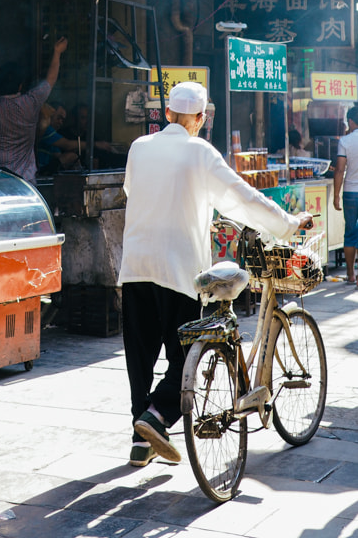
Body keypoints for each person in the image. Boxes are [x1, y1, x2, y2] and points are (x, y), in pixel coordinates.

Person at [119, 81, 313, 468]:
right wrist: (288, 225)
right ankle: (157, 416)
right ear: (199, 118)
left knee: (139, 356)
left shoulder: (139, 147)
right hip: (177, 269)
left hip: (136, 265)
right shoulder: (200, 152)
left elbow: (132, 190)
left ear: (168, 114)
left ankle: (140, 440)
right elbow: (242, 197)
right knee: (186, 352)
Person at [0, 37, 67, 184]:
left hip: (1, 179)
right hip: (27, 181)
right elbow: (50, 80)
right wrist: (57, 52)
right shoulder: (32, 101)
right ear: (20, 86)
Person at [333, 104, 358, 286]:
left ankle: (350, 274)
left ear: (350, 121)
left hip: (350, 192)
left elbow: (340, 170)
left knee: (350, 233)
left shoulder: (345, 141)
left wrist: (336, 196)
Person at [36, 102, 82, 174]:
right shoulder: (44, 129)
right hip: (38, 173)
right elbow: (67, 145)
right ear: (50, 115)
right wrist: (95, 144)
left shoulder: (54, 136)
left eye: (63, 120)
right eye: (59, 118)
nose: (60, 122)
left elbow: (57, 155)